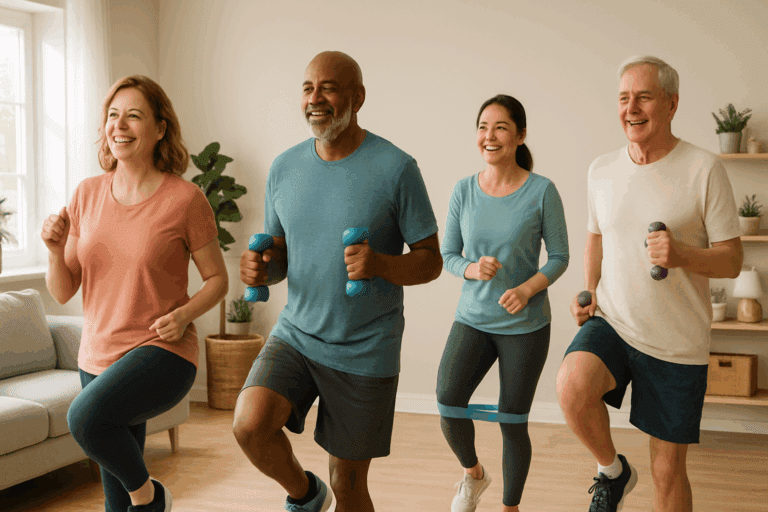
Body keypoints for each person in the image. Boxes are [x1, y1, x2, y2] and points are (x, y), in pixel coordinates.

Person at [233, 51, 442, 512]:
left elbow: (430, 261)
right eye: (307, 88)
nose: (315, 98)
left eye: (328, 87)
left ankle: (327, 491)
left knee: (347, 483)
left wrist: (382, 265)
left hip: (366, 346)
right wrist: (260, 269)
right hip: (297, 334)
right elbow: (281, 255)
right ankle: (305, 496)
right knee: (249, 426)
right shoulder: (284, 168)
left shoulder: (396, 167)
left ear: (357, 97)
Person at [556, 56, 743, 512]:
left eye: (643, 97)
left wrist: (682, 255)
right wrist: (590, 292)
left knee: (667, 473)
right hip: (615, 322)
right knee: (571, 386)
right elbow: (595, 239)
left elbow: (733, 260)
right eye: (623, 98)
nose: (631, 108)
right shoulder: (601, 170)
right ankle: (613, 471)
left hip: (676, 341)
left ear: (672, 104)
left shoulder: (704, 168)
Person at [42, 75, 228, 512]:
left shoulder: (185, 199)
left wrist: (184, 316)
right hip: (98, 355)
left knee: (84, 418)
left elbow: (218, 279)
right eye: (112, 115)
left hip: (161, 350)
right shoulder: (86, 194)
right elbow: (64, 289)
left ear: (160, 128)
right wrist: (53, 250)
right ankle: (142, 500)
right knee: (116, 504)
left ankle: (152, 497)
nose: (118, 125)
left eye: (133, 116)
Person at [438, 95, 569, 512]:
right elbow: (448, 256)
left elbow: (561, 257)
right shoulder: (463, 190)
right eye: (482, 127)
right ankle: (473, 474)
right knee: (447, 401)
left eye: (499, 127)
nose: (488, 136)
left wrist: (528, 289)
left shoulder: (542, 190)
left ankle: (510, 508)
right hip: (472, 319)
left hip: (525, 326)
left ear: (519, 135)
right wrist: (471, 269)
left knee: (513, 423)